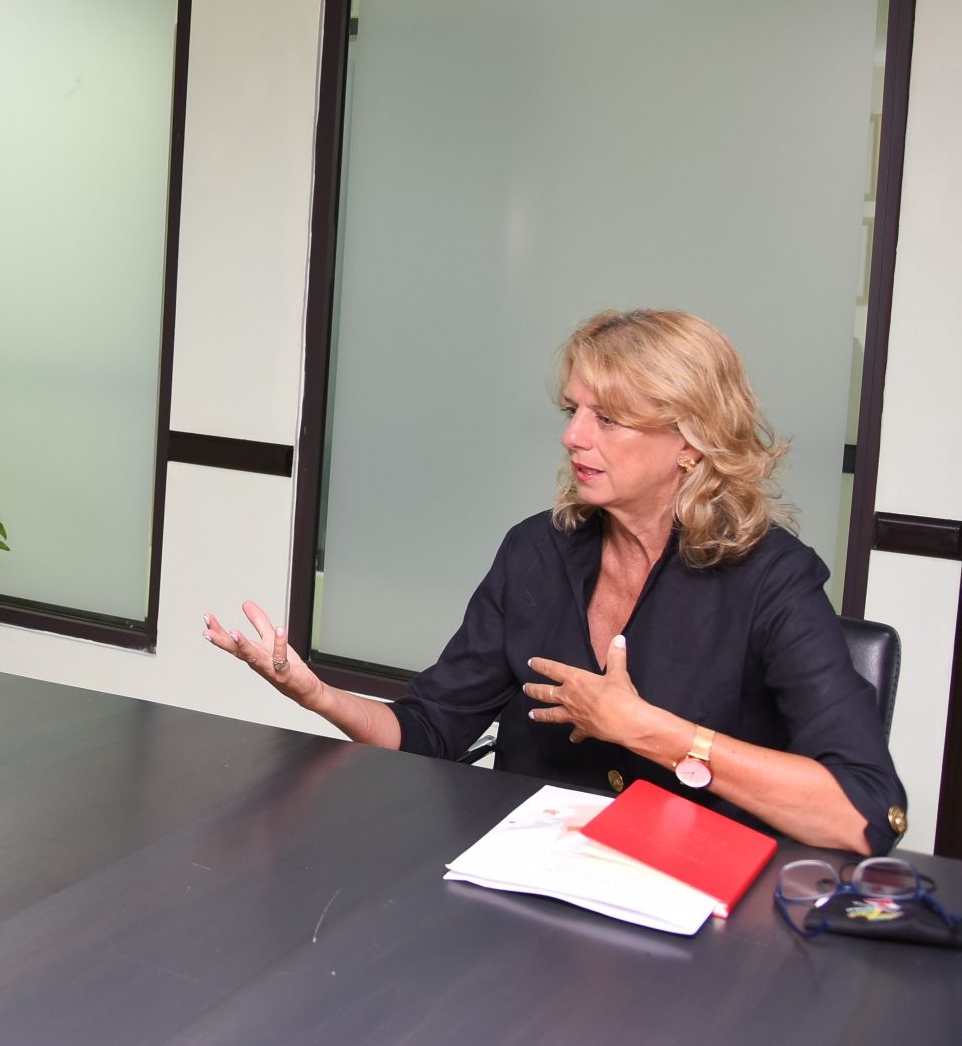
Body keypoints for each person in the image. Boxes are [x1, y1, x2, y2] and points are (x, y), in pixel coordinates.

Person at [205, 310, 907, 854]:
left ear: (690, 442)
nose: (574, 435)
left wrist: (655, 733)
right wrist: (319, 693)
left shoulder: (771, 577)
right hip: (526, 887)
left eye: (608, 417)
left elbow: (866, 811)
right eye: (572, 410)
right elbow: (427, 731)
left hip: (695, 919)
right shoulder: (535, 552)